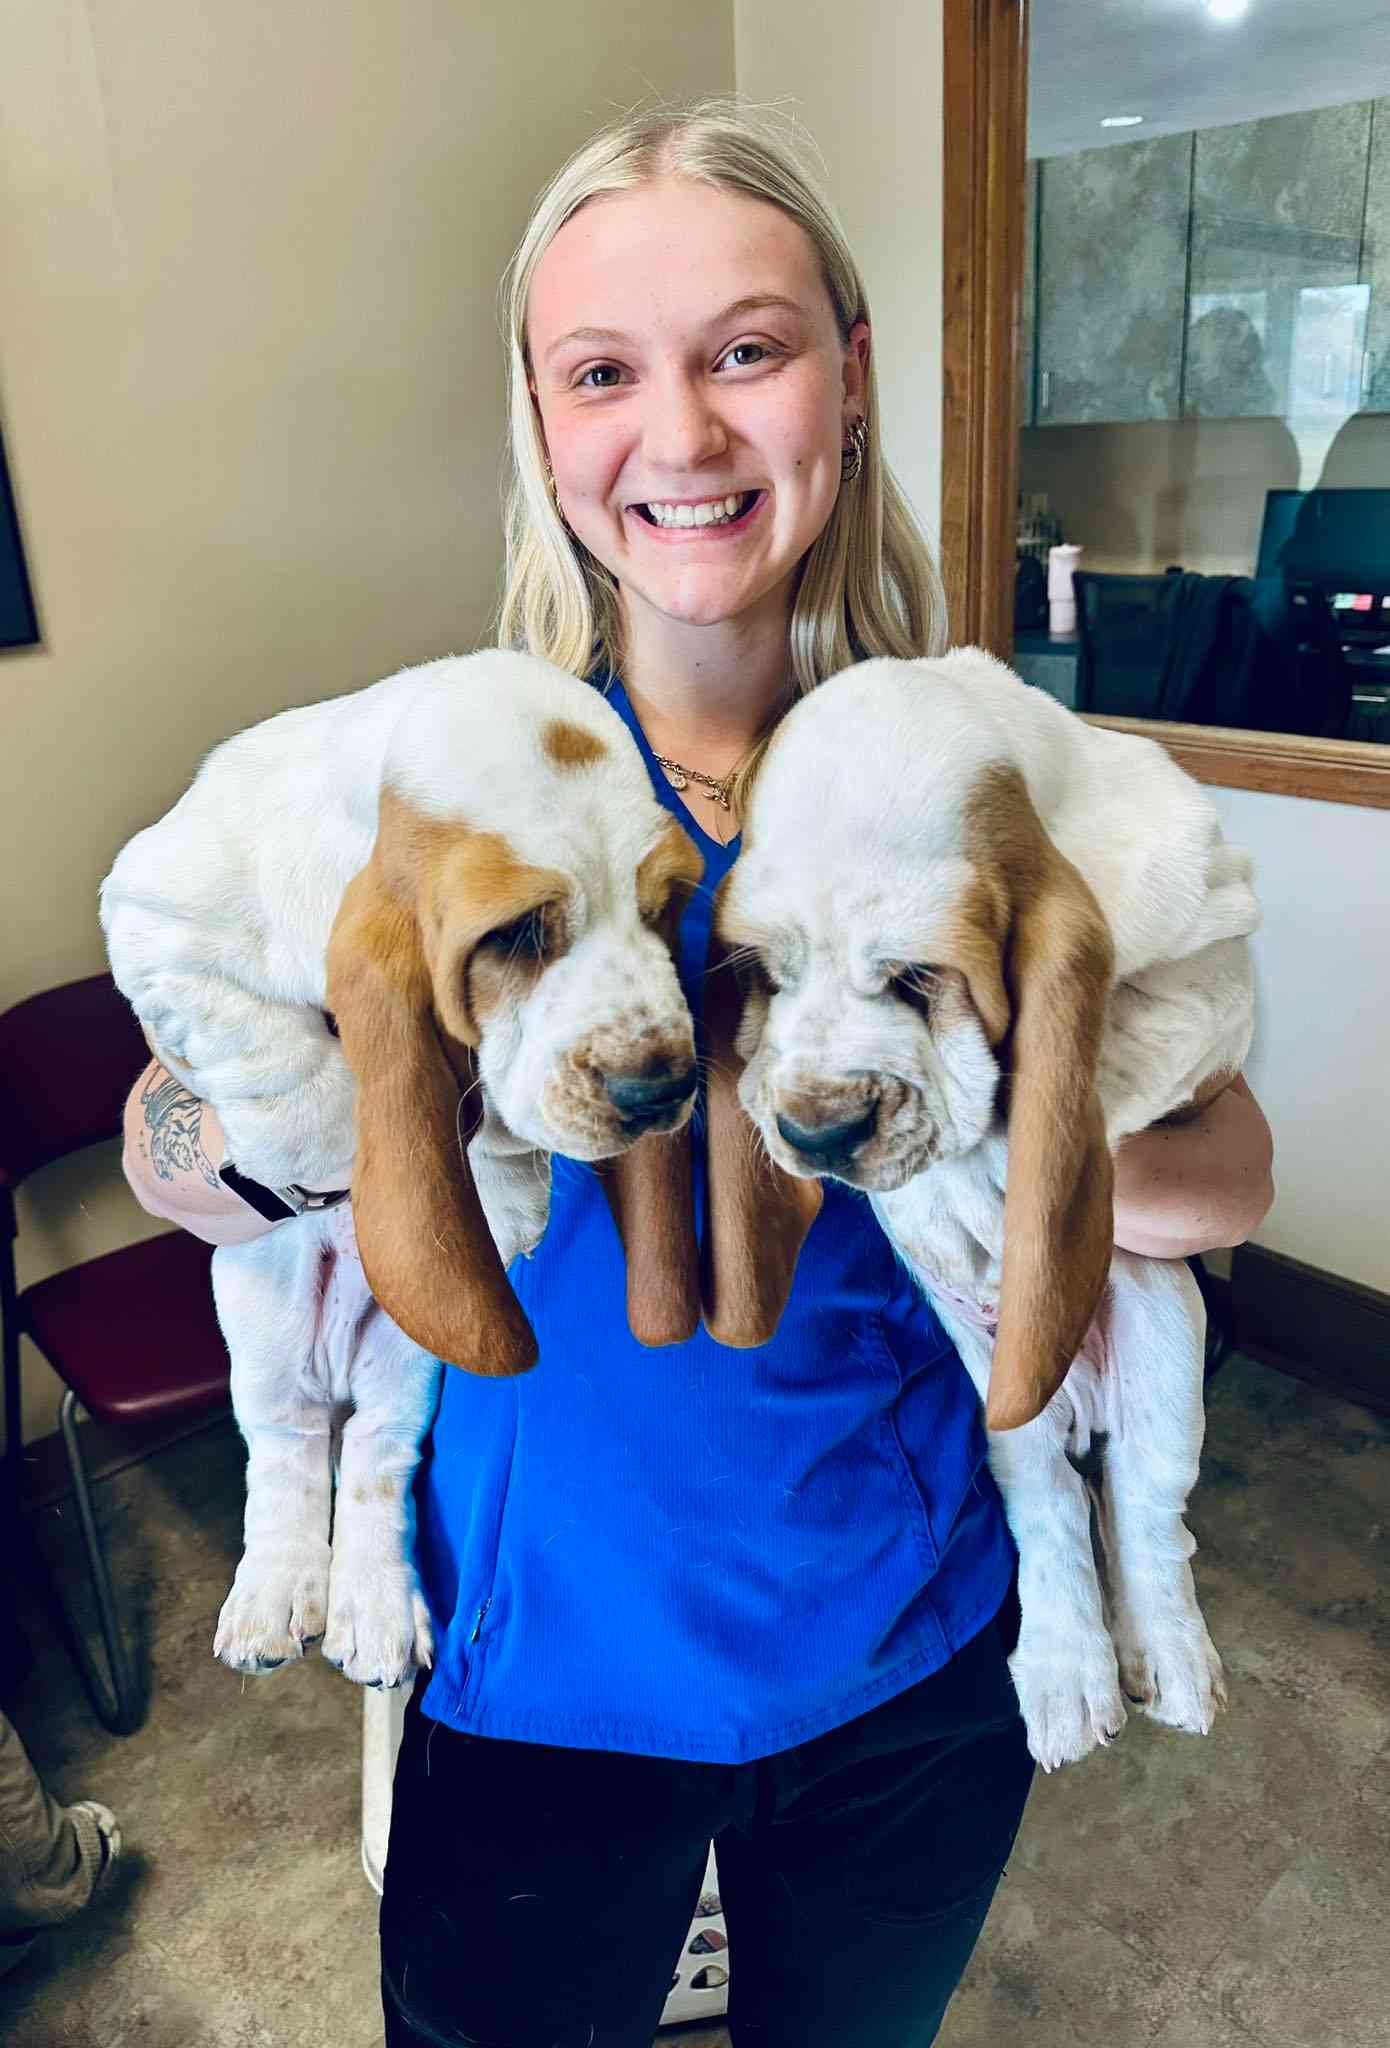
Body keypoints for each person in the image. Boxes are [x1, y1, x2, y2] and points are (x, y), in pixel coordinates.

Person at [122, 100, 1275, 2048]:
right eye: (602, 371)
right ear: (540, 420)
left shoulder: (977, 773)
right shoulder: (449, 776)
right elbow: (174, 1137)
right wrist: (284, 1136)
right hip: (534, 1671)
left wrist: (934, 1114)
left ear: (847, 370)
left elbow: (1222, 1165)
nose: (678, 432)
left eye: (743, 347)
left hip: (908, 1659)